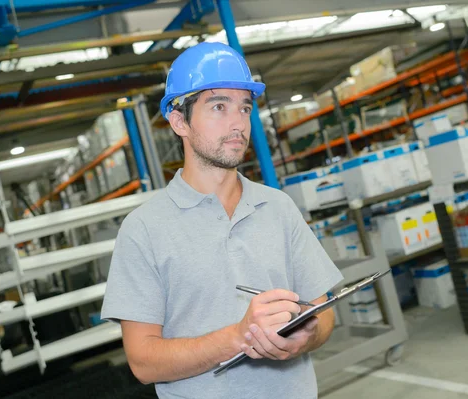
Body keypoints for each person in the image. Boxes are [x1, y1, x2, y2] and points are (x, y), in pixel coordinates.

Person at [101, 42, 344, 398]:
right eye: (219, 106)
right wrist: (239, 336)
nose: (238, 124)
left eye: (244, 108)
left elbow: (324, 314)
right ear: (179, 120)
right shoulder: (143, 230)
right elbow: (143, 361)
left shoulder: (278, 208)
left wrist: (305, 338)